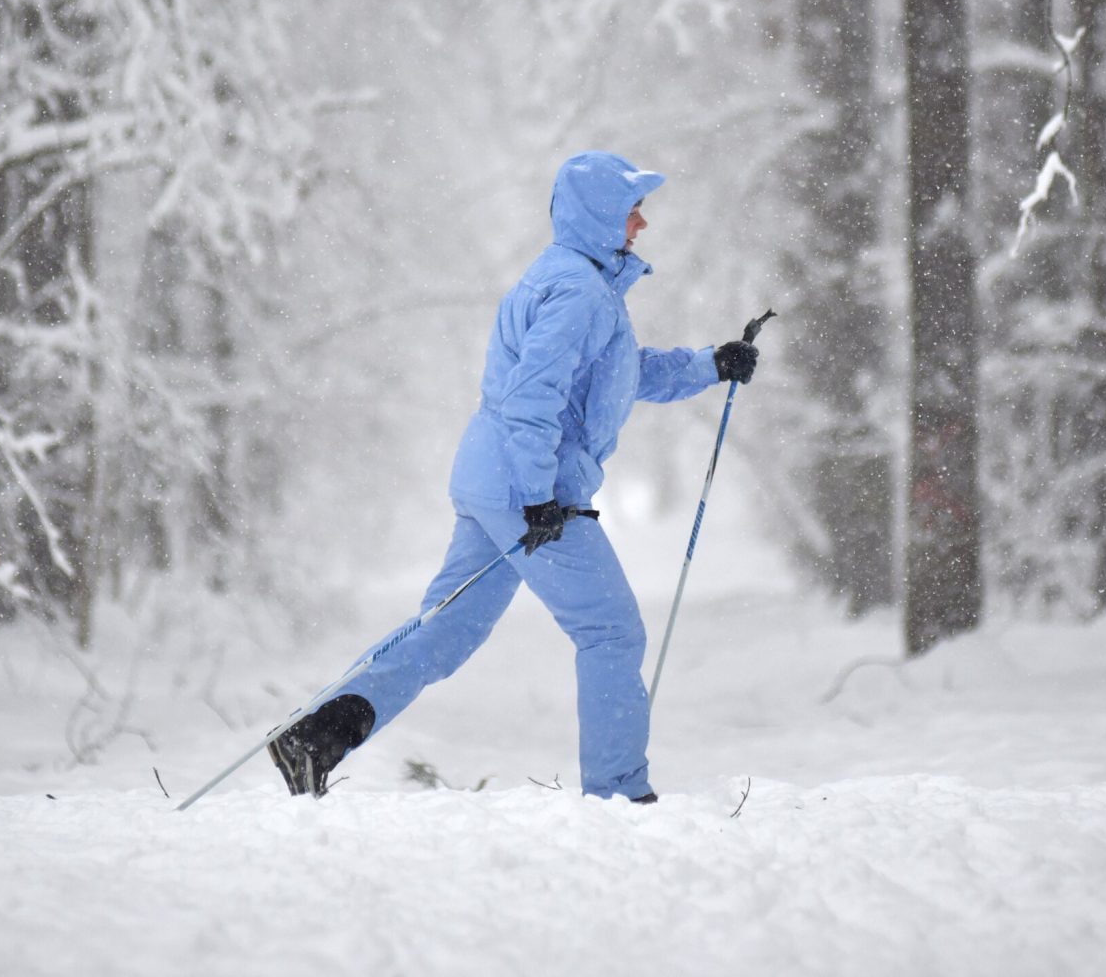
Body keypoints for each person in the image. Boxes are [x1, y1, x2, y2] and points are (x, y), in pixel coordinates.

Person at [267, 151, 759, 802]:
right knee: (612, 629)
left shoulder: (574, 284)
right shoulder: (579, 292)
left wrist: (709, 363)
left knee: (443, 629)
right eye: (633, 208)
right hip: (524, 486)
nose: (642, 223)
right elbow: (536, 394)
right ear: (603, 215)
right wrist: (536, 499)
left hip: (492, 477)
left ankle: (317, 735)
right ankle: (621, 796)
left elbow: (617, 375)